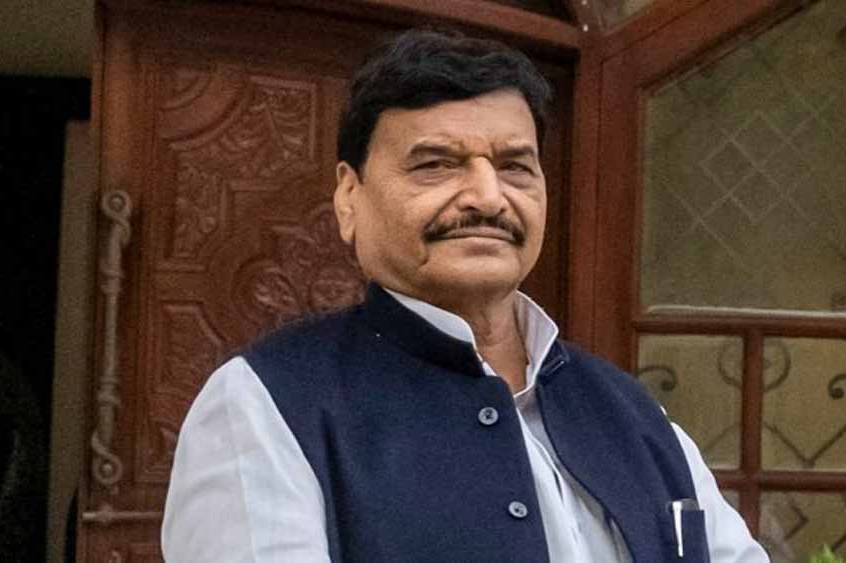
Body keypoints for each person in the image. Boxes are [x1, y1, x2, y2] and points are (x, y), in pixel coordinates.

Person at [162, 29, 769, 563]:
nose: (487, 197)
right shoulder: (266, 405)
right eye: (435, 164)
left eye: (515, 167)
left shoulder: (630, 413)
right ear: (349, 197)